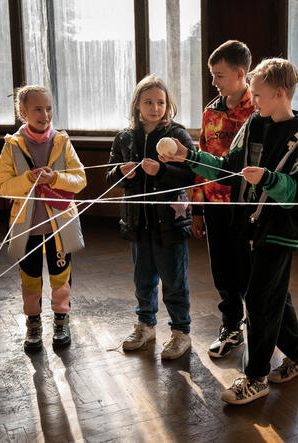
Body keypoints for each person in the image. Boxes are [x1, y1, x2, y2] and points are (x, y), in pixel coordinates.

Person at [160, 58, 298, 404]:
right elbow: (227, 167)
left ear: (280, 93)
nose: (252, 102)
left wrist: (270, 179)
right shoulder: (254, 123)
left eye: (258, 95)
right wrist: (188, 157)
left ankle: (255, 378)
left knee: (258, 300)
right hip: (250, 225)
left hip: (281, 229)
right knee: (272, 295)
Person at [106, 75, 197, 360]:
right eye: (148, 102)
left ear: (168, 105)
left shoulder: (179, 135)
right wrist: (122, 172)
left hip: (169, 224)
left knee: (174, 281)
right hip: (138, 224)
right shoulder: (124, 138)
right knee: (143, 279)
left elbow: (190, 175)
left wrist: (162, 172)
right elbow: (109, 177)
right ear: (137, 105)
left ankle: (181, 332)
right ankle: (146, 326)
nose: (155, 107)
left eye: (160, 102)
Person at [0, 85, 87, 351]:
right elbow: (2, 186)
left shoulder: (62, 141)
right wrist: (26, 179)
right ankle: (33, 324)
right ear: (22, 112)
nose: (45, 114)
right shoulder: (12, 146)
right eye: (37, 109)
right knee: (30, 277)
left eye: (48, 108)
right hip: (28, 228)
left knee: (61, 276)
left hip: (60, 227)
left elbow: (80, 179)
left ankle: (61, 319)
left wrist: (55, 178)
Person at [192, 40, 256, 358]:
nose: (214, 82)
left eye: (219, 75)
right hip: (215, 205)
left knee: (251, 272)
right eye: (212, 76)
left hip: (249, 207)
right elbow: (201, 163)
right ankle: (231, 327)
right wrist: (197, 209)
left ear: (240, 73)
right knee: (223, 272)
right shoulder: (210, 112)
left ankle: (259, 329)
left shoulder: (258, 112)